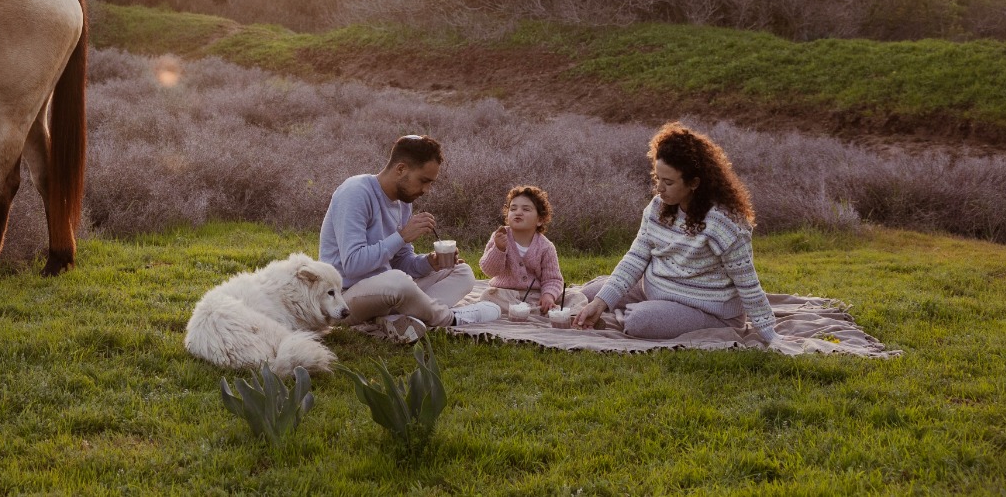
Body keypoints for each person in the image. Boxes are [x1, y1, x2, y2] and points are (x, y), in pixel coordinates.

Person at [572, 123, 778, 343]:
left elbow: (748, 284)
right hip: (655, 288)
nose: (659, 188)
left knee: (638, 321)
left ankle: (639, 313)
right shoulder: (657, 207)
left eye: (668, 182)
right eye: (657, 178)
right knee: (588, 296)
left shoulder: (724, 222)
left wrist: (770, 335)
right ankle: (637, 307)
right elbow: (636, 258)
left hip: (707, 309)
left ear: (694, 183)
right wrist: (602, 301)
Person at [318, 134, 484, 341]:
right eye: (423, 181)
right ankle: (449, 319)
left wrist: (430, 263)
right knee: (397, 282)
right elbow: (352, 264)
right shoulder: (355, 192)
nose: (426, 190)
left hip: (387, 291)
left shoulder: (403, 202)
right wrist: (402, 236)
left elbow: (401, 262)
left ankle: (399, 318)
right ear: (401, 169)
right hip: (343, 299)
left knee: (462, 271)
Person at [477, 184, 566, 314]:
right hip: (504, 293)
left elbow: (552, 279)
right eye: (513, 209)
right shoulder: (499, 237)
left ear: (540, 220)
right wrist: (499, 249)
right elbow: (489, 270)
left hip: (534, 295)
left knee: (576, 297)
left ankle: (536, 309)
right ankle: (536, 312)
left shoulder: (546, 247)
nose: (518, 212)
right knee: (487, 295)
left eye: (526, 209)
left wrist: (548, 295)